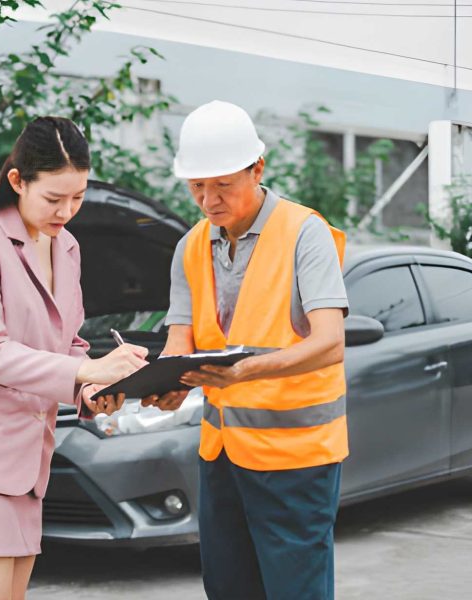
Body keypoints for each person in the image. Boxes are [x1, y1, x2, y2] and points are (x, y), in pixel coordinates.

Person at [0, 116, 147, 600]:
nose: (67, 211)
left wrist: (93, 388)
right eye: (54, 198)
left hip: (27, 466)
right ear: (17, 181)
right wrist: (85, 370)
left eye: (78, 197)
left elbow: (68, 341)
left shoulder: (68, 247)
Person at [143, 100, 350, 600]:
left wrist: (248, 372)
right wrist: (166, 386)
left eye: (223, 185)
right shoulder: (190, 247)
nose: (209, 200)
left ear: (258, 169)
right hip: (221, 455)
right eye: (197, 186)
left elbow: (330, 343)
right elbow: (180, 341)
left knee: (295, 591)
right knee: (229, 587)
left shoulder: (305, 233)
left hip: (297, 458)